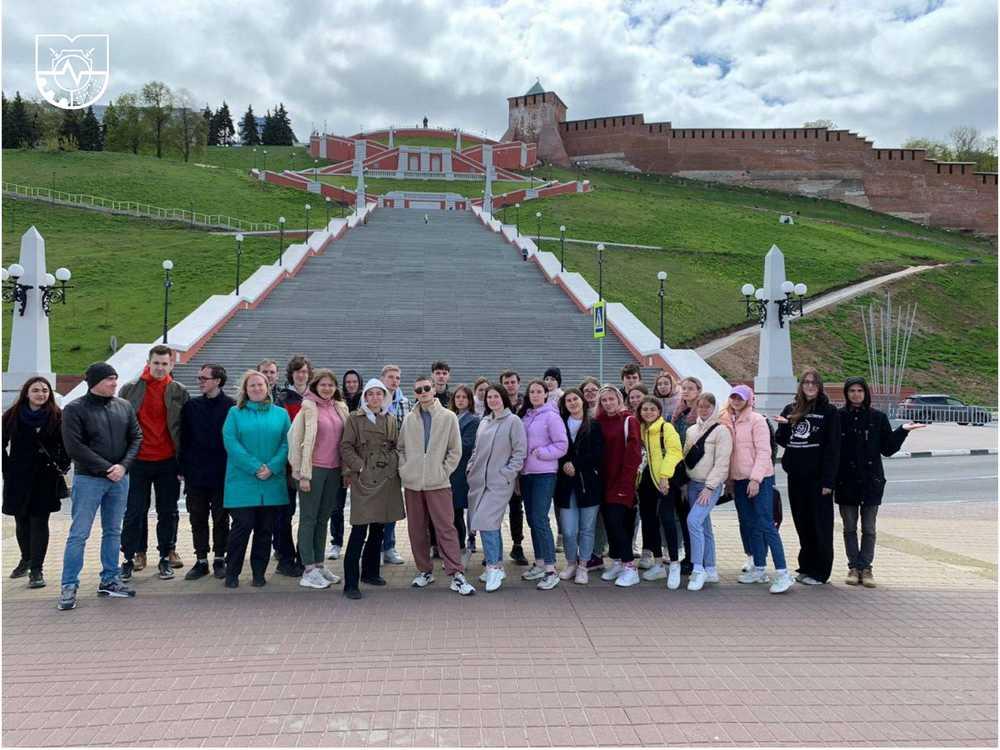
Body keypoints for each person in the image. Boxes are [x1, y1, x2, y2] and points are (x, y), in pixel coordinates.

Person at [58, 363, 142, 610]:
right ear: (94, 382)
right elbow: (74, 447)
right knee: (79, 534)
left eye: (115, 378)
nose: (115, 383)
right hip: (89, 479)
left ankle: (110, 579)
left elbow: (136, 437)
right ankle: (69, 585)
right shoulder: (74, 409)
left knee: (113, 531)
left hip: (120, 478)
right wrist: (108, 468)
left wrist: (123, 467)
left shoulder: (123, 406)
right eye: (109, 380)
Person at [835, 376, 924, 587]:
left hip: (870, 481)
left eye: (860, 391)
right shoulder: (838, 417)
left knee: (869, 528)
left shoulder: (877, 418)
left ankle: (866, 568)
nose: (856, 394)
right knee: (849, 528)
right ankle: (853, 567)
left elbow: (888, 448)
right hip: (845, 481)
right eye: (852, 391)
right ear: (846, 394)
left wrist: (902, 431)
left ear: (866, 393)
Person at [398, 375, 475, 595]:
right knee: (416, 529)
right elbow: (401, 448)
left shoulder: (448, 417)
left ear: (434, 390)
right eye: (418, 390)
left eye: (426, 388)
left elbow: (455, 450)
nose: (423, 392)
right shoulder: (410, 419)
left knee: (446, 528)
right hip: (413, 484)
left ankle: (456, 573)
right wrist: (406, 469)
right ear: (415, 393)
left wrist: (443, 471)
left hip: (438, 483)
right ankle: (425, 571)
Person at [119, 344, 190, 582]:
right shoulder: (130, 389)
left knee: (168, 512)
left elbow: (185, 428)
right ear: (149, 362)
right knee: (135, 512)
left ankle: (166, 554)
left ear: (172, 365)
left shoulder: (178, 390)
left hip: (168, 460)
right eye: (156, 363)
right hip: (138, 460)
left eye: (164, 363)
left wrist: (184, 461)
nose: (160, 368)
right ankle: (133, 555)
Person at [221, 370, 291, 589]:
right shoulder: (235, 413)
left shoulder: (280, 414)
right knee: (242, 528)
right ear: (245, 389)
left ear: (267, 387)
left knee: (264, 530)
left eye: (260, 384)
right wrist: (254, 467)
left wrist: (272, 467)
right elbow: (231, 443)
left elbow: (286, 443)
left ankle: (259, 573)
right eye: (252, 385)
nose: (257, 388)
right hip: (243, 481)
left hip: (271, 480)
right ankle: (232, 573)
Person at [773, 368, 841, 586]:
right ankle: (806, 566)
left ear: (820, 386)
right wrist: (783, 426)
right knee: (802, 522)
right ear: (801, 386)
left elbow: (833, 449)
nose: (810, 386)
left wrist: (828, 481)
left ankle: (821, 571)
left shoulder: (829, 412)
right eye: (806, 382)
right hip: (796, 476)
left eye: (814, 383)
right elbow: (784, 441)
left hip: (818, 479)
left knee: (819, 524)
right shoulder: (791, 408)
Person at [723, 385, 793, 594]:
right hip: (739, 479)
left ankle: (783, 573)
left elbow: (764, 452)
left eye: (740, 397)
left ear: (749, 399)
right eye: (733, 397)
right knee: (749, 523)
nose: (736, 400)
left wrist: (755, 479)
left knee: (765, 523)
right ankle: (759, 567)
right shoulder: (728, 420)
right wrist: (730, 479)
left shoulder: (757, 420)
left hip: (759, 479)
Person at [2, 376, 70, 589]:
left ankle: (36, 569)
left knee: (39, 522)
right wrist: (7, 468)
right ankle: (26, 558)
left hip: (45, 478)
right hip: (18, 477)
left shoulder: (57, 416)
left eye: (45, 390)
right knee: (21, 521)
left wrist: (62, 465)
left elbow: (67, 445)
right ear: (26, 393)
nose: (41, 394)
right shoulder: (11, 416)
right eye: (36, 390)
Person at [340, 379, 404, 599]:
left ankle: (370, 572)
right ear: (365, 397)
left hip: (386, 478)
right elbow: (346, 446)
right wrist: (360, 467)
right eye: (371, 394)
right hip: (365, 479)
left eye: (380, 394)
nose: (375, 398)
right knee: (359, 529)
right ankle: (350, 582)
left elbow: (396, 445)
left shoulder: (391, 419)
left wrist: (394, 464)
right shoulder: (354, 419)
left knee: (379, 527)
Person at [288, 369, 348, 590]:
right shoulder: (307, 408)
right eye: (323, 385)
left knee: (324, 519)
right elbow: (294, 441)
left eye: (331, 385)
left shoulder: (340, 407)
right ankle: (308, 569)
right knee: (309, 518)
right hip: (312, 470)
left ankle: (319, 564)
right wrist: (301, 473)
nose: (327, 388)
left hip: (334, 470)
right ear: (315, 386)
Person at [467, 385, 527, 592]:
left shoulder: (513, 421)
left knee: (485, 521)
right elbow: (476, 449)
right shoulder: (484, 421)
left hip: (499, 483)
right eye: (489, 397)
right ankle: (497, 565)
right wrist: (470, 468)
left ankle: (493, 568)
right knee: (489, 523)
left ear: (503, 398)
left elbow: (520, 452)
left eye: (496, 396)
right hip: (479, 482)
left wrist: (507, 474)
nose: (492, 400)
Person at [178, 364, 234, 581]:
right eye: (199, 377)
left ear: (218, 380)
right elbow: (183, 439)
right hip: (196, 474)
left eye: (204, 378)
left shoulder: (231, 407)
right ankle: (201, 560)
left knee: (221, 518)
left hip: (222, 473)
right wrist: (182, 468)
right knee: (197, 518)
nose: (199, 381)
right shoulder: (191, 406)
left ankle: (220, 558)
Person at [517, 380, 569, 590]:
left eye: (539, 391)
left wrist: (542, 454)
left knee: (540, 518)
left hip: (544, 473)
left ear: (546, 395)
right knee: (532, 519)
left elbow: (562, 445)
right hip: (526, 474)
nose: (535, 395)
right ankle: (539, 563)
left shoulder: (551, 416)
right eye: (532, 392)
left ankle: (550, 569)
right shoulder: (526, 416)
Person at [554, 388, 604, 585]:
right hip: (566, 485)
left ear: (582, 401)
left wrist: (577, 465)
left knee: (587, 528)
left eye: (575, 399)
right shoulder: (560, 424)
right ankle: (571, 563)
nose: (573, 403)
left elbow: (598, 453)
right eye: (568, 400)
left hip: (588, 483)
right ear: (564, 405)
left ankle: (583, 565)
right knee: (568, 529)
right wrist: (564, 463)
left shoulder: (594, 425)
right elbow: (557, 447)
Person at [683, 394, 732, 591]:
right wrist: (684, 483)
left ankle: (698, 568)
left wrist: (710, 487)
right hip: (693, 483)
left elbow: (722, 462)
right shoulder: (691, 430)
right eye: (700, 406)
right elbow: (686, 458)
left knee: (693, 522)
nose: (703, 410)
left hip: (709, 486)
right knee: (704, 525)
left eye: (707, 406)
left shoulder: (721, 431)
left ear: (714, 407)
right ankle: (711, 567)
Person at [595, 386, 643, 587]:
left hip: (622, 482)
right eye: (604, 400)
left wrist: (626, 483)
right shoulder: (598, 421)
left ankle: (630, 567)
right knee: (609, 524)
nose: (607, 403)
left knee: (618, 524)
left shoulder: (629, 420)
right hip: (603, 482)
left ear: (619, 399)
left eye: (611, 399)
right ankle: (616, 561)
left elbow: (634, 455)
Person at [635, 396, 683, 587]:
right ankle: (657, 564)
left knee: (667, 520)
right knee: (649, 522)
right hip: (645, 482)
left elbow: (675, 452)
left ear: (659, 411)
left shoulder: (666, 428)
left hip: (663, 481)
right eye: (644, 409)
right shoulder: (640, 429)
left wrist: (665, 476)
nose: (648, 412)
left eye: (652, 409)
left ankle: (674, 564)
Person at [272, 355, 313, 577]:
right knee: (284, 515)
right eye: (297, 371)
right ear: (291, 374)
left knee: (309, 514)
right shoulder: (281, 398)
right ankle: (285, 558)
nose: (301, 375)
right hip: (287, 465)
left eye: (305, 371)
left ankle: (305, 556)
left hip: (310, 464)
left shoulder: (314, 397)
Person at [327, 368, 363, 560]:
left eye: (354, 382)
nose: (351, 385)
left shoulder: (365, 403)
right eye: (348, 382)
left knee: (361, 504)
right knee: (336, 505)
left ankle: (360, 541)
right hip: (338, 459)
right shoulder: (336, 403)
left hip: (358, 461)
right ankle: (336, 542)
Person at [670, 376, 703, 575]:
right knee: (683, 516)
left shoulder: (701, 413)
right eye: (684, 388)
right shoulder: (679, 412)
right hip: (678, 469)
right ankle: (689, 557)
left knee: (694, 519)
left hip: (695, 471)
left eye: (691, 388)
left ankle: (696, 559)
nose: (687, 391)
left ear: (698, 390)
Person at [379, 364, 410, 565]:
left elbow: (407, 430)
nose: (394, 381)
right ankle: (376, 546)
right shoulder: (373, 399)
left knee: (391, 504)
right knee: (376, 504)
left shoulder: (405, 402)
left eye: (398, 378)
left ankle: (389, 546)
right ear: (383, 379)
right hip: (376, 460)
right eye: (391, 377)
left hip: (396, 459)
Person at [499, 369, 528, 565]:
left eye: (512, 382)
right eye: (506, 382)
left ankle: (518, 546)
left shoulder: (527, 404)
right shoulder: (497, 403)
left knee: (517, 507)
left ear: (518, 383)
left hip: (521, 462)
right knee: (496, 507)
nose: (510, 385)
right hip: (500, 463)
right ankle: (494, 549)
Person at [449, 386, 480, 565]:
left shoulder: (473, 420)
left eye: (464, 397)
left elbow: (468, 445)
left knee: (458, 509)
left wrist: (446, 443)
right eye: (457, 397)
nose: (460, 400)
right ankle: (457, 547)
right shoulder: (450, 417)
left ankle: (463, 547)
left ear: (470, 400)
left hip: (462, 471)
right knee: (454, 512)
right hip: (451, 472)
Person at [578, 376, 606, 571]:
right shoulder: (578, 413)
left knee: (599, 517)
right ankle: (589, 553)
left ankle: (597, 553)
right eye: (586, 390)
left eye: (593, 390)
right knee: (588, 518)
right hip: (585, 472)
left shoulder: (603, 412)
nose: (590, 393)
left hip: (602, 468)